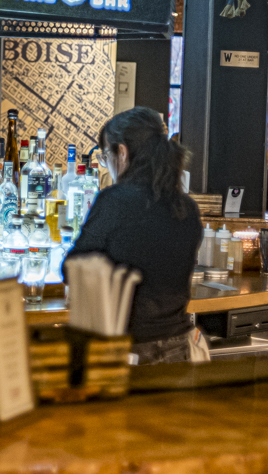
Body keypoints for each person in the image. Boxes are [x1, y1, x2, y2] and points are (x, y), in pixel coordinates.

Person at [62, 107, 208, 365]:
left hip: (128, 352)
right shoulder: (186, 207)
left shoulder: (114, 201)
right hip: (180, 349)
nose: (107, 164)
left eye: (106, 155)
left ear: (122, 152)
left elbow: (72, 267)